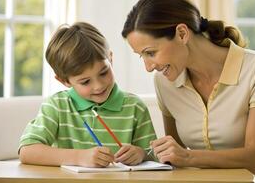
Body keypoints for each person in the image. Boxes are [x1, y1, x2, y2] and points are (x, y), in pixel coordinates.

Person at [121, 0, 255, 183]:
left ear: (182, 33)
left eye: (151, 53)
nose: (148, 68)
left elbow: (254, 159)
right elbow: (173, 158)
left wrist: (188, 156)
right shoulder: (164, 82)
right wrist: (145, 154)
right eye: (142, 56)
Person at [19, 22, 156, 168]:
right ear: (64, 80)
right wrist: (79, 157)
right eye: (85, 82)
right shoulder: (57, 106)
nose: (99, 86)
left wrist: (141, 154)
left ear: (110, 58)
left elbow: (155, 155)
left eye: (104, 72)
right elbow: (27, 151)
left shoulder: (135, 107)